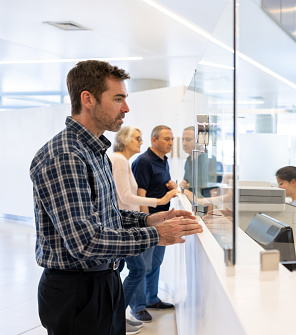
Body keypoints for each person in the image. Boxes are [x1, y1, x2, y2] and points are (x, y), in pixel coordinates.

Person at [30, 60, 203, 335]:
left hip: (103, 279)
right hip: (78, 291)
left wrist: (148, 220)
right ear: (88, 99)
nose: (126, 108)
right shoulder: (66, 155)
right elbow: (85, 242)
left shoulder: (94, 151)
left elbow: (106, 215)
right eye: (118, 98)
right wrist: (157, 235)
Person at [110, 126, 179, 331]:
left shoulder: (132, 161)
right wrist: (154, 210)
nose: (140, 142)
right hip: (129, 224)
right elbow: (127, 197)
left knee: (142, 266)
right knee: (139, 268)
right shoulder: (125, 161)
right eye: (137, 138)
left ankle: (129, 310)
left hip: (135, 221)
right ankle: (128, 311)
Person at [131, 125, 178, 322]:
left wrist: (172, 186)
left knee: (155, 263)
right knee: (143, 265)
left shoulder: (163, 161)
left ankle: (151, 298)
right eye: (167, 139)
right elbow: (140, 196)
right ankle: (138, 306)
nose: (171, 143)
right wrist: (146, 224)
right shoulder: (143, 161)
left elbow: (161, 186)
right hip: (149, 222)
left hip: (162, 220)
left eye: (172, 139)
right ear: (154, 140)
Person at [180, 126, 221, 198]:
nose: (184, 143)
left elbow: (213, 191)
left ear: (199, 141)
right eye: (183, 139)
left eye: (188, 140)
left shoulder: (210, 161)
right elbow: (188, 183)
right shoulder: (188, 160)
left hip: (204, 205)